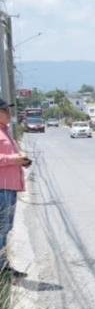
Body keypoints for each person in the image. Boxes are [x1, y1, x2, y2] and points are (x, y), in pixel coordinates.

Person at [0, 99, 32, 278]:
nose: (9, 113)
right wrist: (15, 160)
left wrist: (22, 161)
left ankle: (3, 265)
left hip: (8, 188)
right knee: (2, 229)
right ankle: (2, 268)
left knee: (5, 229)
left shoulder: (5, 131)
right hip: (2, 188)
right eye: (5, 110)